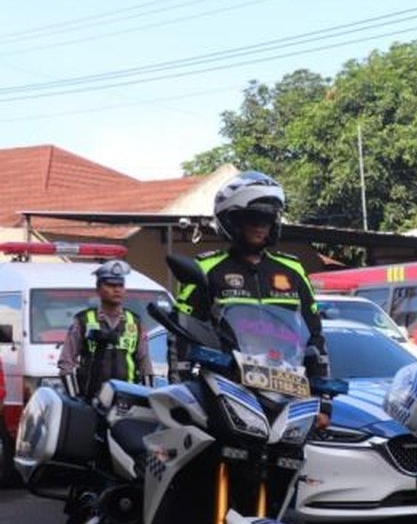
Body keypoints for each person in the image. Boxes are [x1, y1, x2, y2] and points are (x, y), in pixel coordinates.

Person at [174, 171, 326, 374]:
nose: (261, 227)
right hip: (225, 381)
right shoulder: (206, 268)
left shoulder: (292, 270)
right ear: (233, 221)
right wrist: (181, 379)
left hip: (286, 381)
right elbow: (183, 330)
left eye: (268, 219)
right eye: (254, 219)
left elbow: (314, 333)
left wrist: (322, 384)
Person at [58, 260, 153, 400]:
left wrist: (147, 400)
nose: (117, 289)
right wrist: (75, 399)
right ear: (98, 290)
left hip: (126, 400)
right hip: (90, 400)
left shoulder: (135, 322)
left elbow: (145, 366)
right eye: (110, 285)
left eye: (120, 285)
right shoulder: (83, 320)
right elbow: (66, 364)